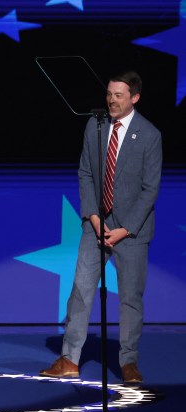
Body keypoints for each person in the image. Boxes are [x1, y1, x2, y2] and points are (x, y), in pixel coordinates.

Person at [40, 71, 162, 383]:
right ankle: (69, 359)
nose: (111, 100)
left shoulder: (149, 135)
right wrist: (93, 218)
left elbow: (150, 189)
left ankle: (129, 362)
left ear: (134, 97)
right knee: (80, 290)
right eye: (109, 93)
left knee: (130, 298)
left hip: (131, 232)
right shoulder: (95, 126)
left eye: (118, 95)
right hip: (95, 226)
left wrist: (125, 229)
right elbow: (85, 174)